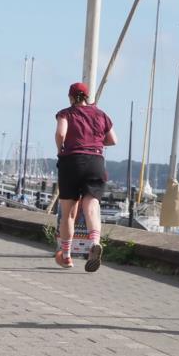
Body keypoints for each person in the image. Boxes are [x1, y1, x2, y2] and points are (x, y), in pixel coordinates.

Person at [54, 82, 117, 272]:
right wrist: (96, 141)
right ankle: (94, 243)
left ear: (71, 97)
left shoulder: (66, 113)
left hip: (71, 162)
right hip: (95, 161)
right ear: (87, 97)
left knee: (69, 213)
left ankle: (66, 257)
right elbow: (113, 140)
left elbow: (60, 133)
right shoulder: (100, 114)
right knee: (92, 206)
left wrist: (60, 149)